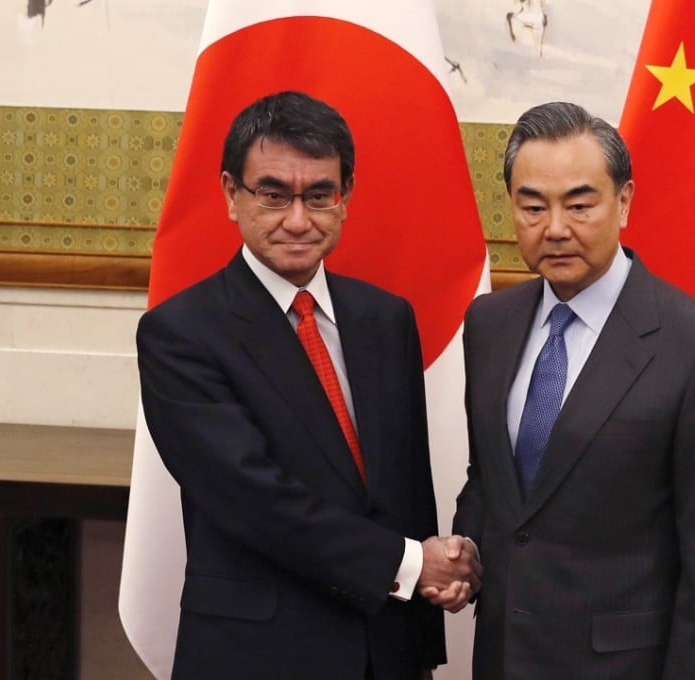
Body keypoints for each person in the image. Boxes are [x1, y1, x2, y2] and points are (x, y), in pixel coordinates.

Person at [137, 90, 480, 679]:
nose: (298, 220)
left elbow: (402, 489)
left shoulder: (385, 318)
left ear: (344, 198)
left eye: (319, 195)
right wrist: (410, 565)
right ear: (230, 194)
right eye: (273, 195)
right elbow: (256, 500)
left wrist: (439, 586)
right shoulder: (180, 334)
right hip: (259, 656)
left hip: (385, 650)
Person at [451, 102, 695, 679]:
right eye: (533, 206)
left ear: (624, 202)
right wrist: (465, 552)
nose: (556, 228)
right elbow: (493, 477)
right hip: (502, 656)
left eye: (580, 203)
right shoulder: (489, 323)